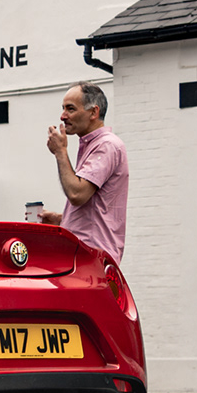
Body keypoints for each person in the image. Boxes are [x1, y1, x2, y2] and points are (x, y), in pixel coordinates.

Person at [42, 81, 129, 261]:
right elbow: (95, 210)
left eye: (70, 109)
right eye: (63, 109)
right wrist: (62, 220)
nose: (63, 116)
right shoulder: (95, 145)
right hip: (88, 255)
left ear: (93, 112)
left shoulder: (106, 145)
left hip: (91, 257)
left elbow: (77, 194)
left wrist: (60, 152)